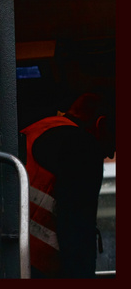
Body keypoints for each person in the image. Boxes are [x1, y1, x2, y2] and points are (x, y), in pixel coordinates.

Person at [21, 92, 113, 277]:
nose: (111, 153)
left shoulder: (36, 129)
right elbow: (78, 230)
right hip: (43, 268)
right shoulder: (83, 147)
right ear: (101, 124)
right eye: (115, 139)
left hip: (16, 258)